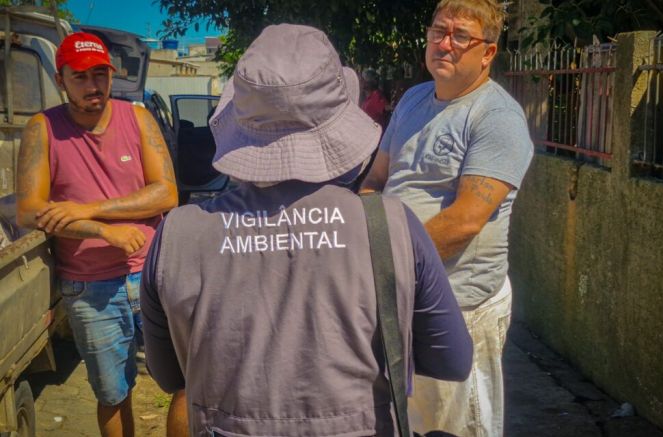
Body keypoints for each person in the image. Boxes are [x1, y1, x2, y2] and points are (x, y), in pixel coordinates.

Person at [141, 24, 472, 436]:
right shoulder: (390, 224)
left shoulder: (177, 235)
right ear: (337, 120)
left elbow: (169, 375)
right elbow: (452, 359)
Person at [361, 1, 534, 436]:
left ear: (488, 52)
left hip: (457, 303)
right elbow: (377, 178)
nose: (445, 44)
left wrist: (382, 265)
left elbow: (464, 222)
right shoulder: (414, 99)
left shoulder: (496, 117)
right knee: (408, 419)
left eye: (461, 36)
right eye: (439, 31)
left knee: (455, 426)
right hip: (400, 291)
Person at [15, 32, 178, 437]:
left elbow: (166, 193)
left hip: (153, 273)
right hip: (89, 287)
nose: (93, 85)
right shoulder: (42, 128)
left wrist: (88, 209)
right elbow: (30, 210)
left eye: (101, 75)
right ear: (60, 79)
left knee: (185, 379)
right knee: (112, 394)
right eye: (81, 77)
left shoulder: (137, 118)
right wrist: (103, 232)